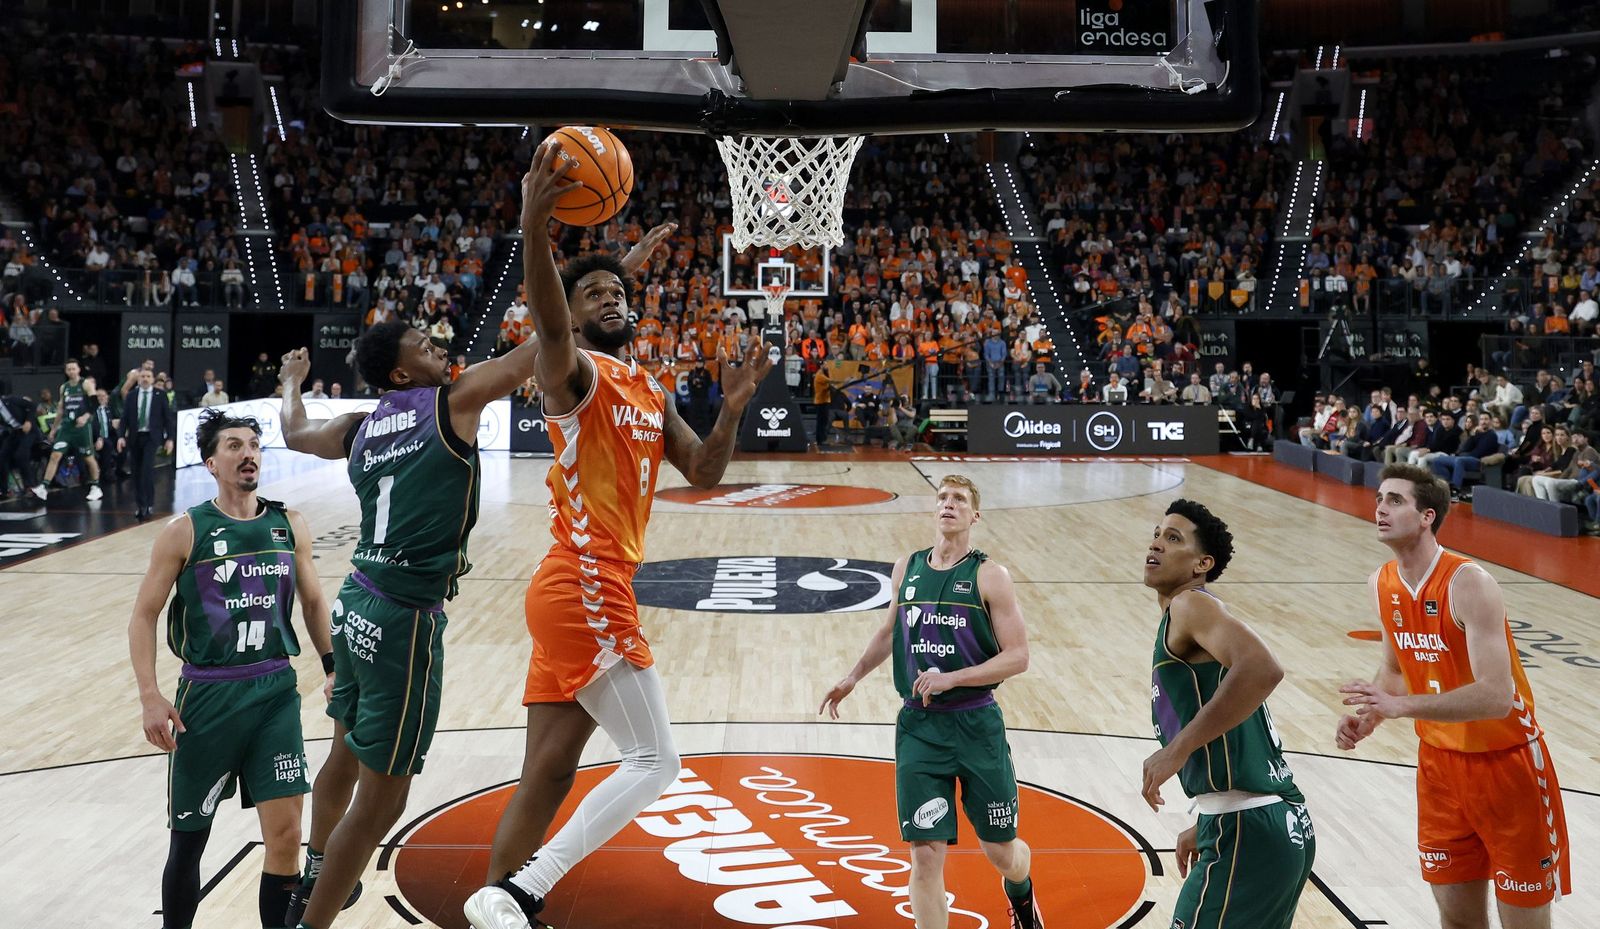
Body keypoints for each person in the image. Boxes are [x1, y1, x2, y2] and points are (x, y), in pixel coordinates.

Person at [463, 143, 771, 929]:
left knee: (549, 771)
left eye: (617, 289)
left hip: (576, 587)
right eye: (590, 291)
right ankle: (523, 890)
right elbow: (551, 319)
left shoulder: (646, 384)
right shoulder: (573, 373)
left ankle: (499, 903)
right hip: (584, 580)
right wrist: (535, 229)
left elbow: (701, 472)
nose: (606, 297)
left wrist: (731, 408)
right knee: (656, 759)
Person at [277, 277, 568, 929]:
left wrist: (291, 379)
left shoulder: (358, 426)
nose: (438, 345)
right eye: (422, 343)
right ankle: (312, 919)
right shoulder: (452, 402)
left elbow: (294, 432)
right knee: (379, 806)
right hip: (403, 623)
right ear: (404, 369)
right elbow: (539, 349)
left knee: (344, 753)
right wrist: (578, 289)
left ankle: (317, 870)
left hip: (356, 604)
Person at [126, 410, 335, 929]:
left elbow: (312, 603)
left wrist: (333, 666)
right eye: (235, 446)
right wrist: (151, 696)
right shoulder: (185, 531)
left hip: (275, 691)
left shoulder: (290, 523)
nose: (249, 454)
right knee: (189, 841)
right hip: (208, 698)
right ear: (211, 462)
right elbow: (143, 615)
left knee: (286, 836)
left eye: (255, 446)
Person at [1339, 464, 1571, 928]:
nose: (1381, 508)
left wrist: (1401, 707)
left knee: (1524, 923)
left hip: (1508, 766)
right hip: (1440, 769)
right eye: (1379, 499)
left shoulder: (1470, 582)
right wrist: (1371, 716)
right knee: (1458, 920)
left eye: (1396, 501)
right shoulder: (1380, 583)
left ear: (1428, 516)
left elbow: (1495, 697)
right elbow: (1394, 670)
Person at [819, 475, 1042, 929]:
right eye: (942, 497)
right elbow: (888, 631)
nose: (948, 504)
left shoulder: (989, 575)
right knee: (924, 856)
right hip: (919, 728)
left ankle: (1022, 894)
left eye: (959, 499)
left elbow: (1018, 657)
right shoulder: (907, 567)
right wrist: (853, 676)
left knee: (1002, 852)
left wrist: (952, 678)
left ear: (974, 515)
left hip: (976, 723)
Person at [1142, 499, 1314, 929]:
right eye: (1158, 533)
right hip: (1265, 820)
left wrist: (1176, 751)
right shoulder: (1187, 618)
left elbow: (1263, 668)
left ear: (1203, 563)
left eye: (1173, 538)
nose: (1157, 543)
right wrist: (1206, 819)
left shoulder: (1190, 605)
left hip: (1248, 828)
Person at [32, 359, 104, 500]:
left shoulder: (85, 384)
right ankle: (44, 487)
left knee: (88, 457)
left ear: (78, 370)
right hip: (66, 428)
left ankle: (96, 486)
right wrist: (53, 430)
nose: (71, 371)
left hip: (82, 428)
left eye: (73, 368)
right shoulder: (63, 387)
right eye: (69, 369)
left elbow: (94, 403)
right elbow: (60, 409)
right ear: (66, 371)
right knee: (55, 455)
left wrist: (85, 416)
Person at [122, 368, 175, 520]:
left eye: (148, 376)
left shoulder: (160, 395)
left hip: (152, 437)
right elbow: (125, 418)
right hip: (135, 436)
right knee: (136, 472)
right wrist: (121, 436)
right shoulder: (131, 396)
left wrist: (170, 439)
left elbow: (167, 418)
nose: (145, 379)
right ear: (138, 379)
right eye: (142, 376)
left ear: (152, 379)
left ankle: (148, 503)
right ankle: (140, 504)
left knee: (146, 469)